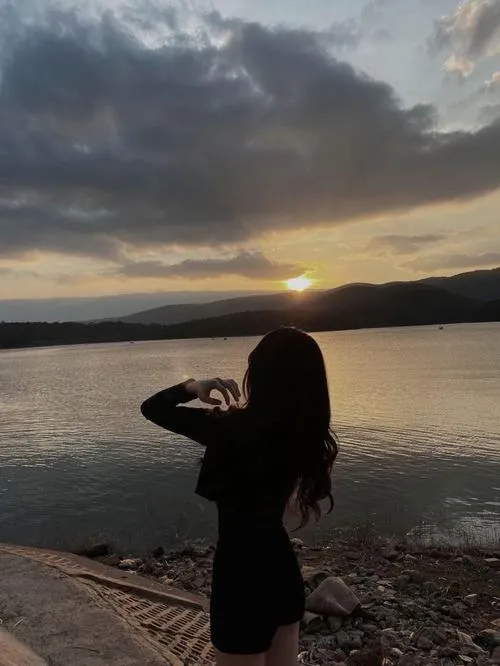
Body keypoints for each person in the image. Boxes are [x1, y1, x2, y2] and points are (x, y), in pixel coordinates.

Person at [141, 326, 338, 666]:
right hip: (281, 571)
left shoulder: (228, 428)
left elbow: (152, 408)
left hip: (239, 576)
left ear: (258, 375)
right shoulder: (304, 432)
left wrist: (192, 387)